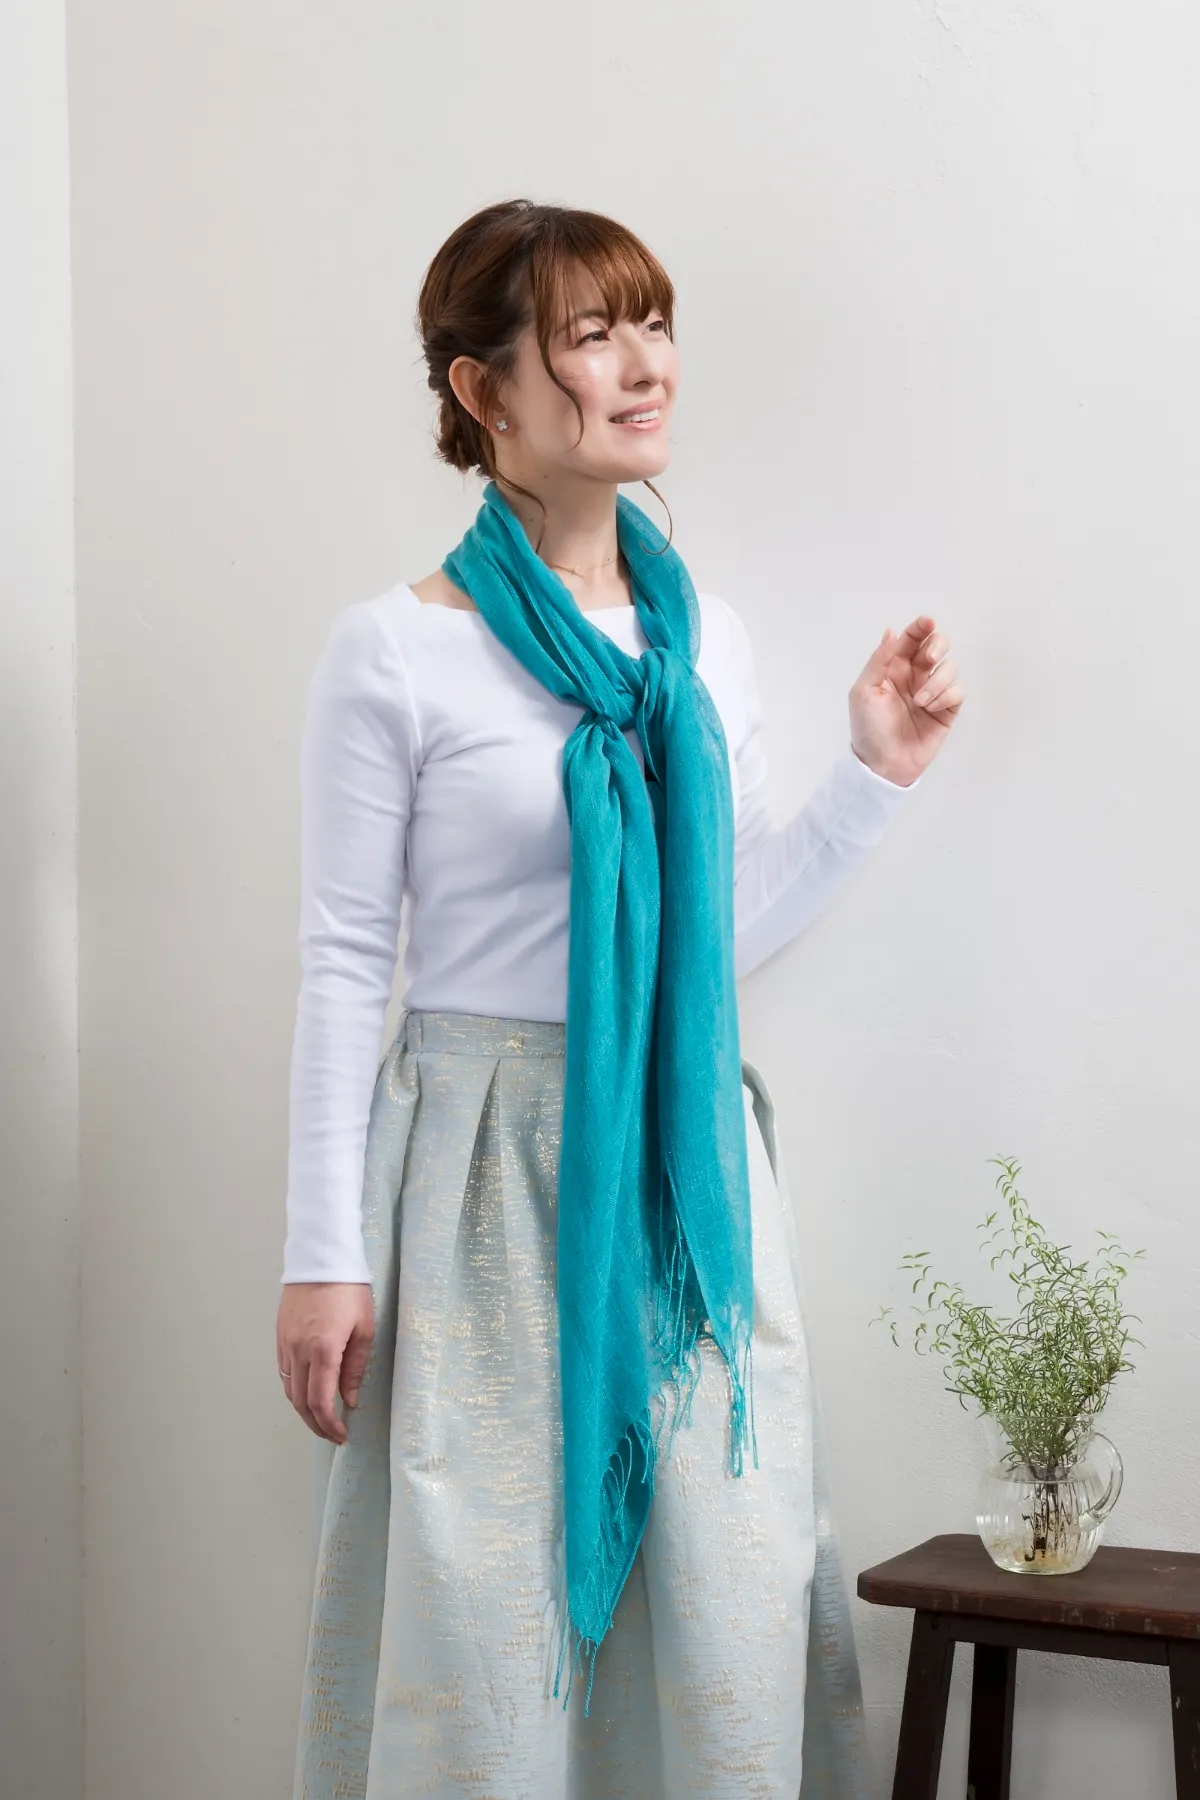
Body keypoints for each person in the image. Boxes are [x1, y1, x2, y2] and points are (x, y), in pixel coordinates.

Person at [277, 198, 962, 1800]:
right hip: (477, 1171)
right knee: (482, 1615)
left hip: (682, 1167)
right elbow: (342, 961)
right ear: (484, 392)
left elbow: (715, 938)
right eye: (592, 334)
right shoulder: (394, 654)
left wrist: (872, 776)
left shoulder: (700, 649)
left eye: (653, 323)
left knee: (726, 1581)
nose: (646, 365)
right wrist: (320, 1256)